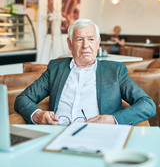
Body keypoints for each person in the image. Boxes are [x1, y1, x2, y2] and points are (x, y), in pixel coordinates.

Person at [14, 18, 156, 125]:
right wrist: (37, 114)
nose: (85, 45)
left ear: (98, 43)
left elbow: (147, 105)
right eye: (79, 39)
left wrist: (113, 119)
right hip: (57, 133)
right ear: (69, 43)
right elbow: (22, 99)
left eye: (91, 39)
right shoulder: (55, 68)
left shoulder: (115, 71)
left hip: (99, 136)